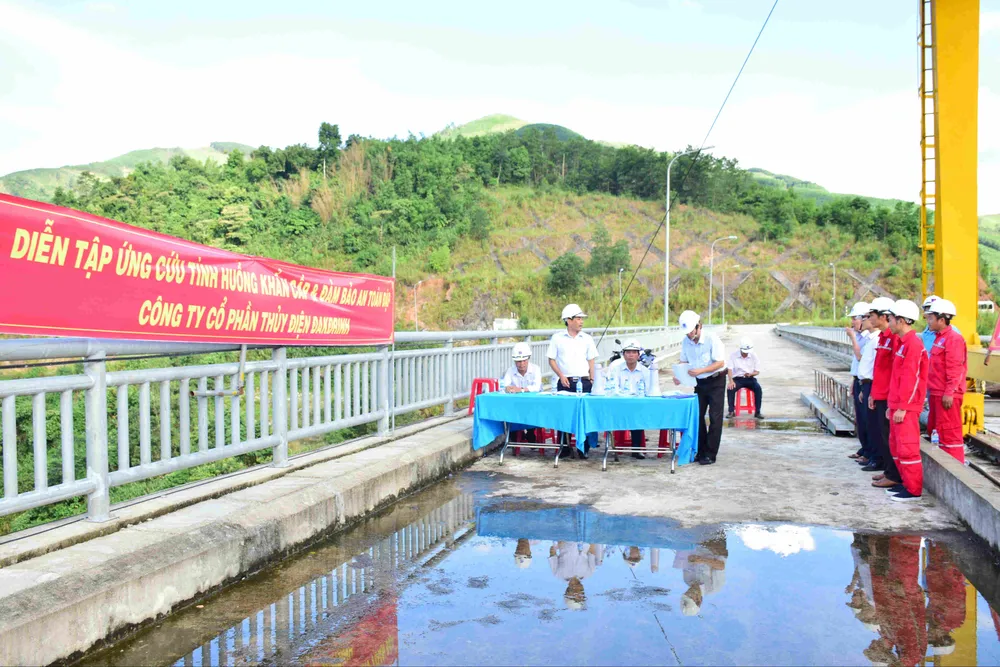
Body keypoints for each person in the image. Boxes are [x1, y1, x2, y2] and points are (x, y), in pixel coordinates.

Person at [885, 299, 928, 502]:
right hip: (898, 406)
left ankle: (913, 490)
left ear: (901, 320)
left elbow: (913, 378)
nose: (889, 322)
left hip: (907, 408)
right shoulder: (902, 344)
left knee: (907, 447)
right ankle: (904, 483)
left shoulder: (913, 344)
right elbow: (898, 379)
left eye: (891, 319)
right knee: (896, 446)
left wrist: (902, 407)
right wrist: (892, 405)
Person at [674, 310, 727, 465]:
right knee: (697, 416)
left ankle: (710, 454)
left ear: (699, 326)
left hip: (716, 381)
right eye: (687, 333)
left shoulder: (712, 339)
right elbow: (683, 361)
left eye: (692, 332)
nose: (690, 335)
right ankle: (700, 450)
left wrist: (701, 371)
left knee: (715, 418)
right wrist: (679, 375)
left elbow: (720, 363)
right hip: (700, 383)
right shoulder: (686, 341)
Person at [546, 303, 599, 458]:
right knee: (564, 415)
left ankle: (584, 448)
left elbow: (591, 359)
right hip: (565, 382)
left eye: (582, 319)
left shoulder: (587, 338)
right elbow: (551, 360)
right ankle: (565, 446)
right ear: (568, 320)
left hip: (584, 381)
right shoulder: (557, 338)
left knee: (585, 415)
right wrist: (561, 375)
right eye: (578, 318)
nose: (581, 322)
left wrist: (592, 377)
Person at [867, 296, 903, 490]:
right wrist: (873, 393)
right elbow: (878, 370)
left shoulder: (894, 338)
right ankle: (888, 471)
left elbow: (896, 371)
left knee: (890, 437)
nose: (869, 318)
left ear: (883, 316)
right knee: (883, 436)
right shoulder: (882, 337)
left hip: (889, 396)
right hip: (879, 394)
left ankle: (893, 474)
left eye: (871, 315)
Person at [926, 298, 968, 463]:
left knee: (949, 434)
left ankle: (955, 465)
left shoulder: (953, 339)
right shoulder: (939, 338)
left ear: (941, 320)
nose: (928, 321)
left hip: (947, 394)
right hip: (937, 392)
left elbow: (955, 368)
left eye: (931, 318)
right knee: (936, 431)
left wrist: (949, 392)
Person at [606, 339, 660, 459]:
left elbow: (648, 391)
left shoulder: (645, 371)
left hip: (638, 405)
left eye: (634, 352)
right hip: (620, 404)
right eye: (628, 352)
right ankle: (614, 447)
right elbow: (612, 388)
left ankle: (636, 448)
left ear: (638, 355)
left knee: (637, 415)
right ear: (623, 354)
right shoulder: (616, 369)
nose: (631, 355)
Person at [858, 302, 885, 472]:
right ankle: (875, 457)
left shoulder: (879, 339)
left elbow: (880, 369)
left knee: (877, 427)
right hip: (868, 385)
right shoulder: (876, 339)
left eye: (870, 316)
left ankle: (878, 460)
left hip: (876, 386)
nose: (867, 319)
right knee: (871, 424)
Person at [845, 302, 873, 464]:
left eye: (855, 318)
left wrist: (853, 338)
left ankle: (869, 452)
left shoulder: (869, 338)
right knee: (860, 419)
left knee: (866, 419)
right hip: (858, 380)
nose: (852, 322)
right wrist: (852, 381)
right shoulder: (861, 337)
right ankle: (864, 448)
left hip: (866, 382)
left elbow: (860, 358)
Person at [725, 337, 763, 419]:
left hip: (749, 378)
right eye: (744, 352)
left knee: (758, 388)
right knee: (730, 388)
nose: (746, 354)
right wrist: (731, 381)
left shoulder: (753, 355)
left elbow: (757, 371)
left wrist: (751, 374)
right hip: (737, 379)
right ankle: (731, 411)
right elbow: (730, 369)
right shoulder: (733, 356)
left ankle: (757, 411)